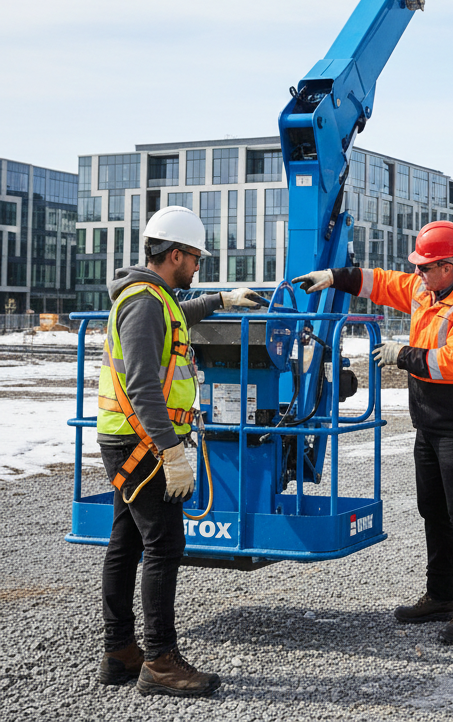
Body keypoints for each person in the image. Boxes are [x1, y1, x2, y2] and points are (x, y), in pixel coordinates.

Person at [293, 219, 453, 646]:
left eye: (425, 267)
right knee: (433, 509)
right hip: (430, 421)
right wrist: (334, 276)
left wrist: (401, 355)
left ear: (450, 266)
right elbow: (381, 282)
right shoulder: (427, 290)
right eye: (419, 268)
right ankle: (441, 595)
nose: (418, 274)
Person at [96, 205, 260, 697]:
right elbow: (143, 383)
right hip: (143, 440)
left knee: (127, 543)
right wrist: (171, 451)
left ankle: (120, 650)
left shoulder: (153, 297)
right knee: (165, 546)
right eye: (194, 258)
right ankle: (160, 660)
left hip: (128, 436)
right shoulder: (145, 301)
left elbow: (176, 317)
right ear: (173, 254)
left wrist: (221, 301)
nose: (197, 266)